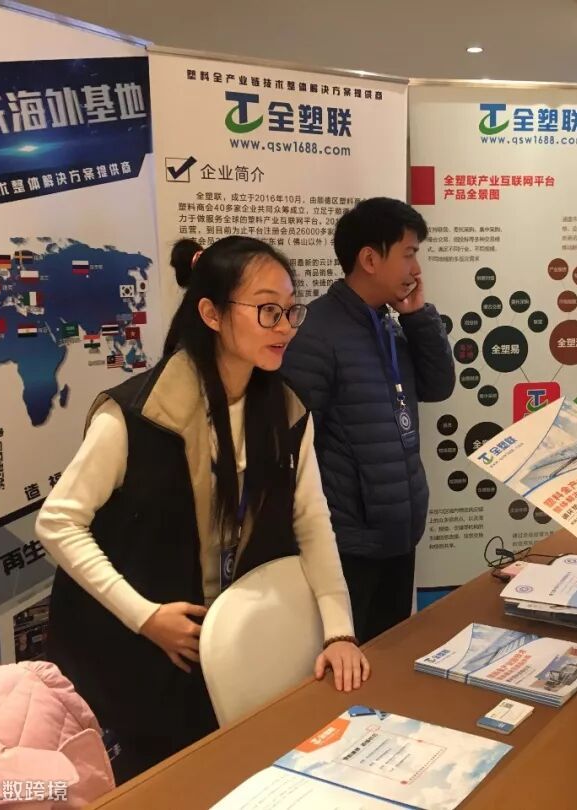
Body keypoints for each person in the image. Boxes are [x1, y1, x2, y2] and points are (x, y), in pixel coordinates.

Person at [36, 236, 369, 784]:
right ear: (211, 314)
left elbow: (312, 522)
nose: (286, 327)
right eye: (267, 310)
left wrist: (339, 633)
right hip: (131, 653)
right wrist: (144, 615)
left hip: (227, 647)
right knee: (157, 783)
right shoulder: (136, 414)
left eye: (290, 311)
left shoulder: (286, 410)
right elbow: (58, 522)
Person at [280, 198, 455, 643]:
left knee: (390, 652)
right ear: (370, 259)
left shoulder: (389, 324)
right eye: (409, 253)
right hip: (349, 543)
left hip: (398, 531)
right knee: (350, 659)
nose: (416, 268)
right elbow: (293, 445)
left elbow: (438, 386)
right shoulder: (316, 332)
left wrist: (417, 317)